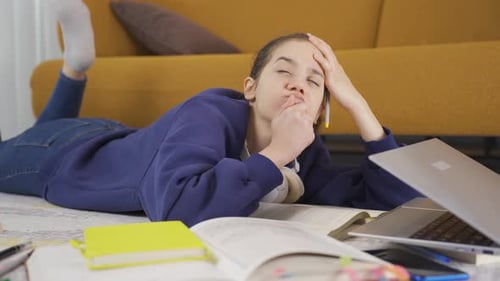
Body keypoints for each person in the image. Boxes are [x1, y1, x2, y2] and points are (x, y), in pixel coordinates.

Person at [0, 0, 421, 226]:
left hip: (117, 136)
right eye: (284, 72)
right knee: (33, 141)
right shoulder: (210, 110)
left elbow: (395, 202)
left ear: (320, 110)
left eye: (315, 82)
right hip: (65, 155)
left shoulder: (305, 158)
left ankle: (76, 66)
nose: (298, 84)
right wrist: (273, 155)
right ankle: (75, 67)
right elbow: (177, 207)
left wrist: (357, 105)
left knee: (49, 126)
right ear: (250, 90)